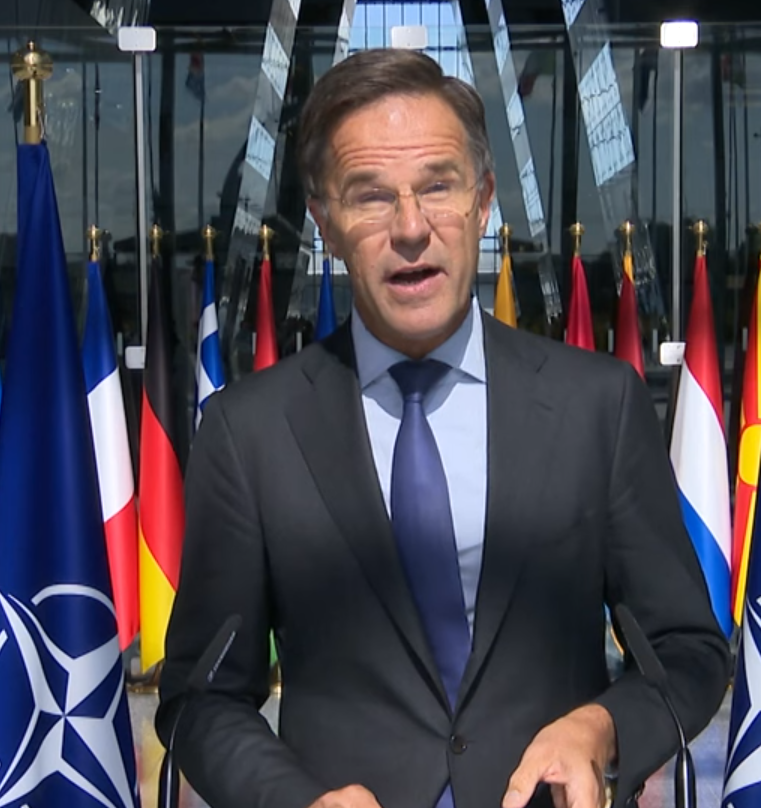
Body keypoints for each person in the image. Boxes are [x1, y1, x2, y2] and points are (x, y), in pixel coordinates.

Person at [156, 48, 729, 808]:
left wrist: (601, 728)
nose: (411, 227)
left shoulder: (598, 405)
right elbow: (200, 697)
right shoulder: (249, 431)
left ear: (483, 201)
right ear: (325, 224)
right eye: (370, 197)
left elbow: (689, 652)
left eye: (438, 186)